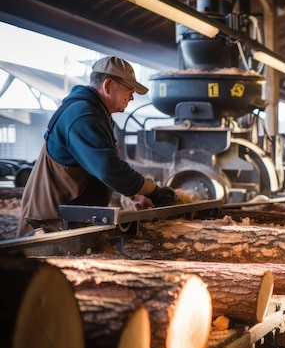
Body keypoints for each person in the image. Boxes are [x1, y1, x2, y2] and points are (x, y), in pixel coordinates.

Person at [17, 56, 177, 237]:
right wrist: (155, 192)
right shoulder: (82, 115)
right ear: (108, 85)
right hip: (47, 226)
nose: (132, 97)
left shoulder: (98, 114)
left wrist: (136, 194)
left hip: (68, 223)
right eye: (129, 90)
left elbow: (98, 165)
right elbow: (109, 169)